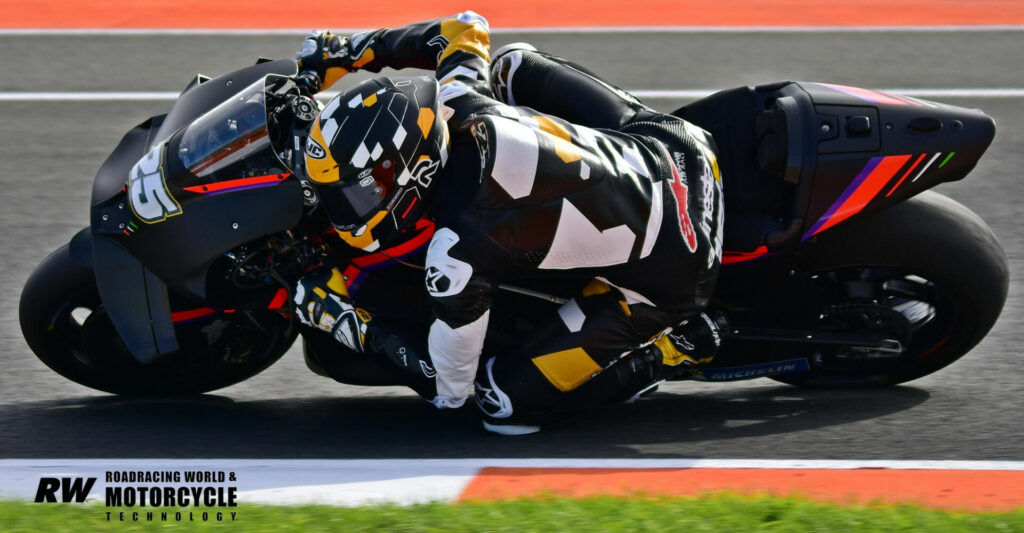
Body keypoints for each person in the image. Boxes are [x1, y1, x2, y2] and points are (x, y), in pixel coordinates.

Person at [291, 11, 727, 434]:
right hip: (679, 144)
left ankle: (669, 353)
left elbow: (449, 389)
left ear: (416, 173)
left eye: (354, 193)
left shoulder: (457, 253)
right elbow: (464, 27)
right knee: (511, 64)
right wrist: (349, 52)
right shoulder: (456, 98)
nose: (342, 206)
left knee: (500, 401)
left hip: (679, 266)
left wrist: (347, 322)